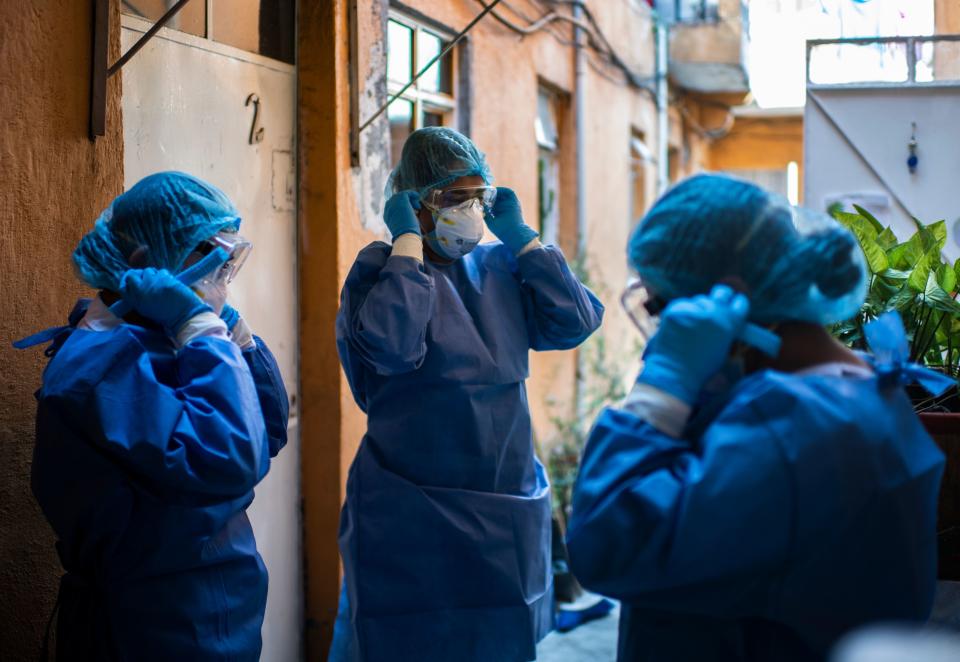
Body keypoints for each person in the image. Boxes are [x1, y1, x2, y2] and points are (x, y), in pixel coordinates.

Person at [566, 174, 945, 661]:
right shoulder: (861, 390)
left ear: (729, 297)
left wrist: (663, 386)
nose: (663, 329)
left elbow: (608, 543)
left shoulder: (794, 431)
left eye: (663, 306)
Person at [332, 127, 604, 662]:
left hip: (504, 502)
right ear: (415, 202)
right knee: (404, 640)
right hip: (412, 507)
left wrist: (524, 239)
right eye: (453, 199)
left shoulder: (503, 265)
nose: (470, 211)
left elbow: (575, 322)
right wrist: (407, 248)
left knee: (499, 640)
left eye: (478, 198)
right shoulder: (381, 271)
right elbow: (390, 348)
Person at [18, 172, 289, 661]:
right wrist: (201, 330)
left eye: (229, 257)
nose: (223, 271)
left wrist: (230, 330)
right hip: (147, 624)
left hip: (219, 609)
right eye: (209, 252)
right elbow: (230, 457)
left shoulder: (168, 338)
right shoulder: (94, 370)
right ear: (146, 260)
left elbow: (267, 428)